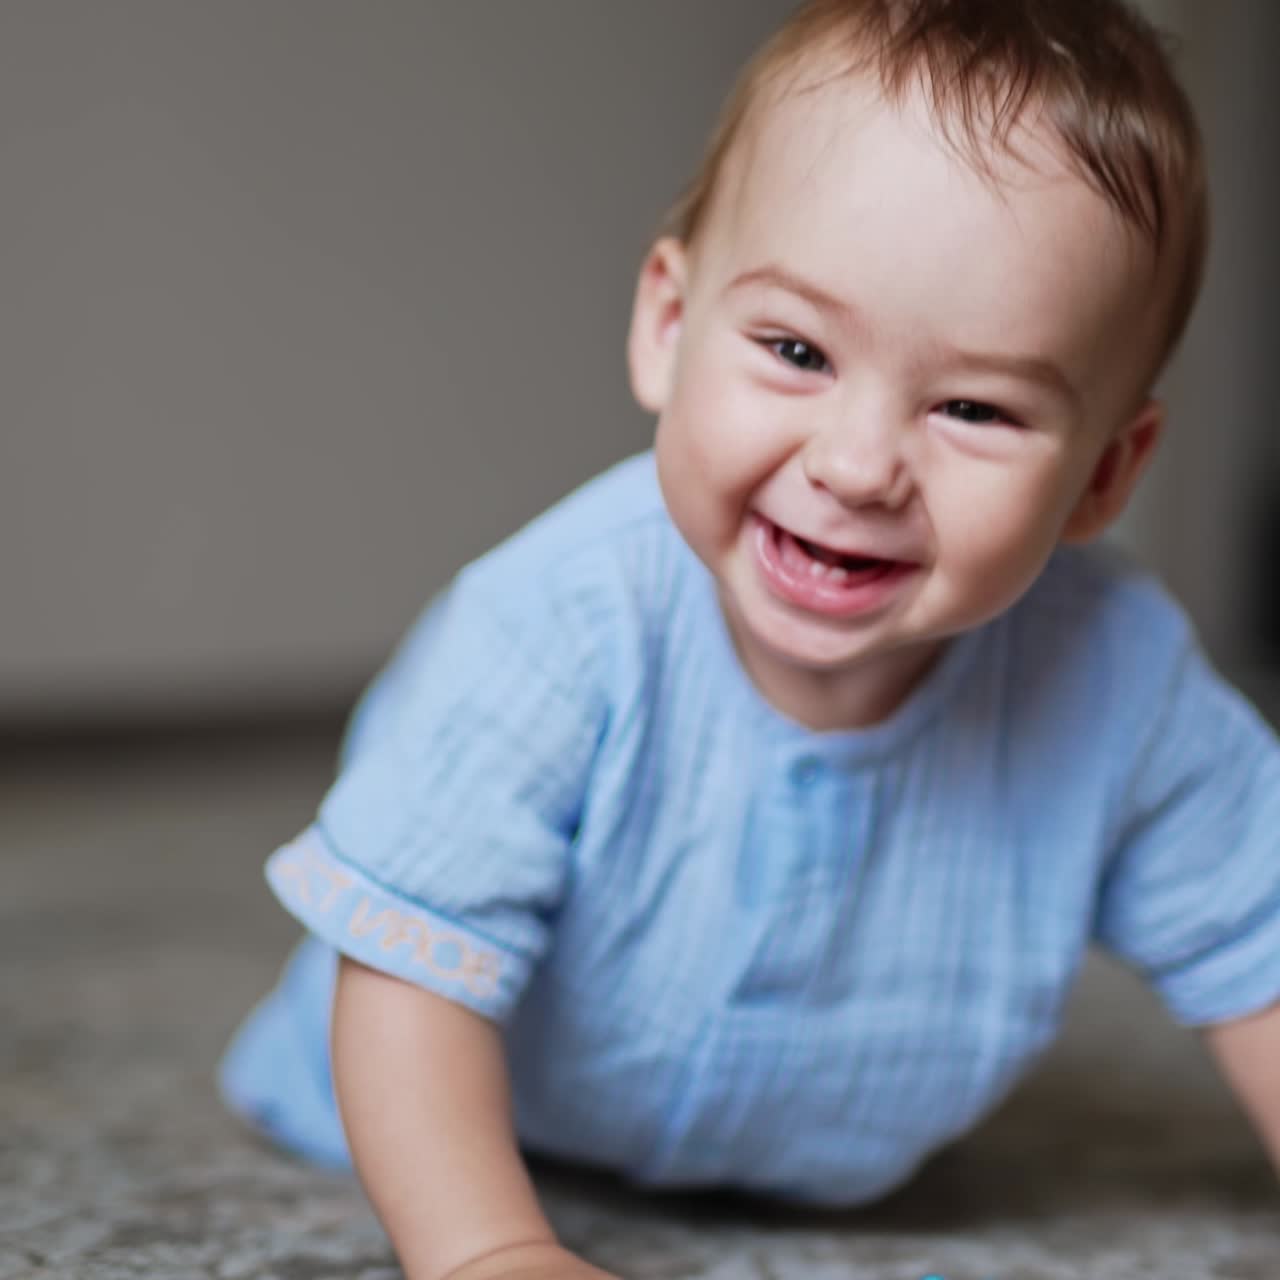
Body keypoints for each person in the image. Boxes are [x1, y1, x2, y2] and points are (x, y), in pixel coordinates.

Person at [219, 2, 1280, 1277]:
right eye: (793, 350)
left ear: (1105, 472)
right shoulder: (558, 620)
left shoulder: (1120, 683)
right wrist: (488, 1249)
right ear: (667, 327)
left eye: (973, 407)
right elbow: (406, 978)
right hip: (446, 1106)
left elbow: (1258, 948)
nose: (854, 463)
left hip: (830, 1163)